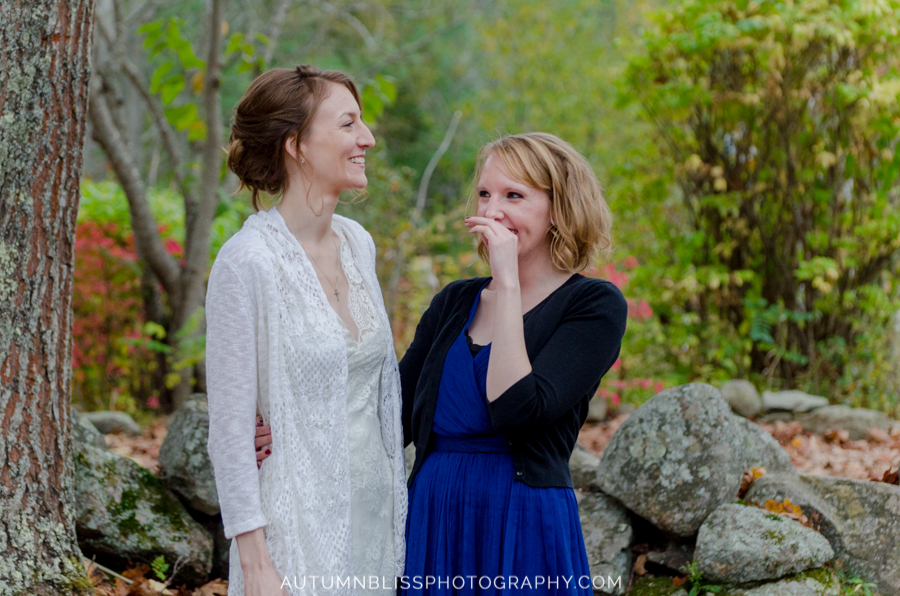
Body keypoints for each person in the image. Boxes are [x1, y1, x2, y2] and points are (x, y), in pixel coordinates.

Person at [206, 65, 406, 596]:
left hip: (373, 526)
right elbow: (229, 432)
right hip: (294, 535)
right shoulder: (247, 262)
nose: (367, 138)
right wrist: (259, 567)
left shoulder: (358, 243)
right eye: (347, 124)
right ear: (296, 144)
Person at [398, 132, 627, 594]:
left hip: (523, 519)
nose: (491, 210)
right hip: (434, 513)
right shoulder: (453, 302)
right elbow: (391, 414)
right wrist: (287, 429)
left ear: (559, 209)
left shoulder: (593, 305)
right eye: (485, 193)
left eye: (513, 195)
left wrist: (506, 282)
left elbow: (517, 410)